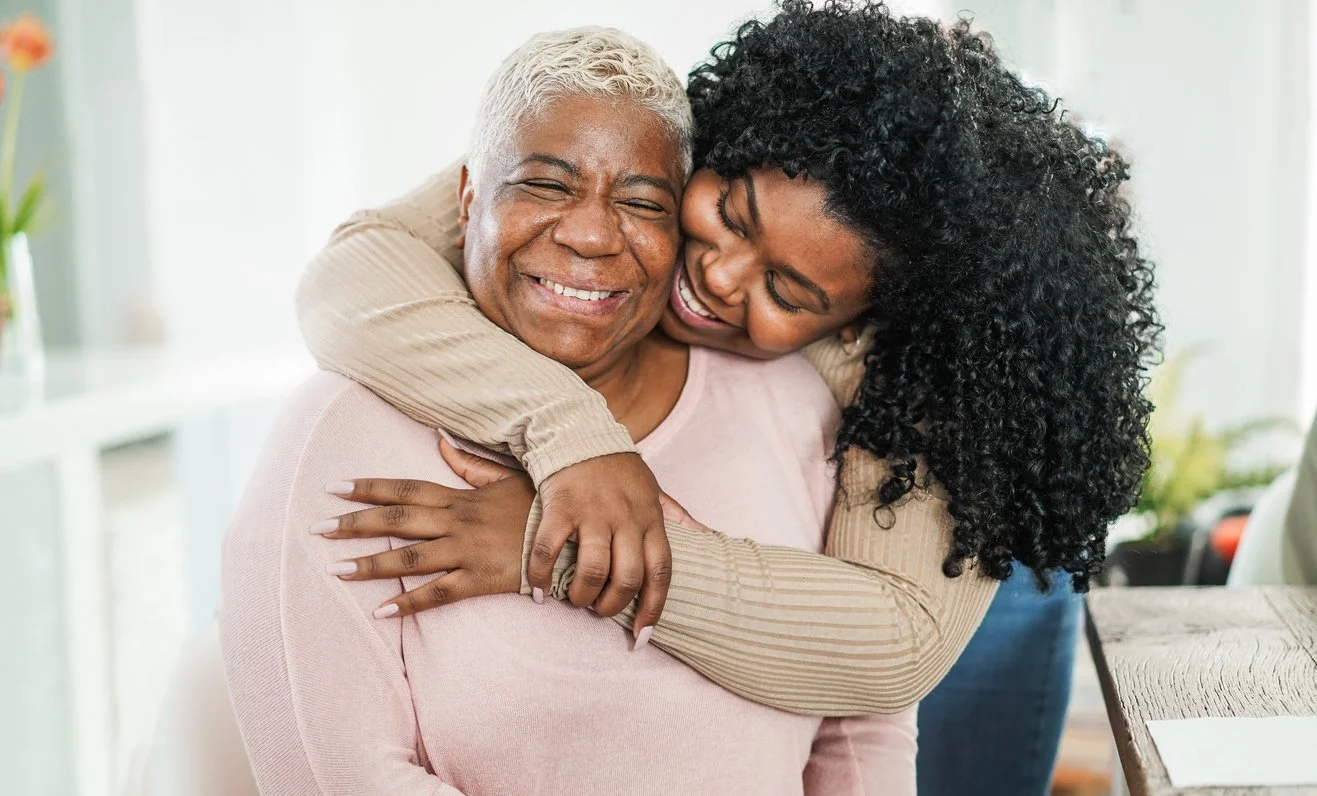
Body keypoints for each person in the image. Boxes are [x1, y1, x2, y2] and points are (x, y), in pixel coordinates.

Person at [298, 0, 1158, 739]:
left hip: (944, 588)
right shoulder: (654, 141)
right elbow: (352, 271)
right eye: (730, 215)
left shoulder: (920, 363)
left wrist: (561, 548)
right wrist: (574, 439)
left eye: (786, 289)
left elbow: (895, 645)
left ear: (861, 319)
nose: (716, 275)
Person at [222, 26, 917, 794]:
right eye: (546, 185)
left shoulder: (788, 406)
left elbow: (858, 727)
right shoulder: (341, 433)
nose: (589, 234)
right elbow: (333, 778)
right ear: (465, 202)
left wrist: (556, 551)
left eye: (641, 202)